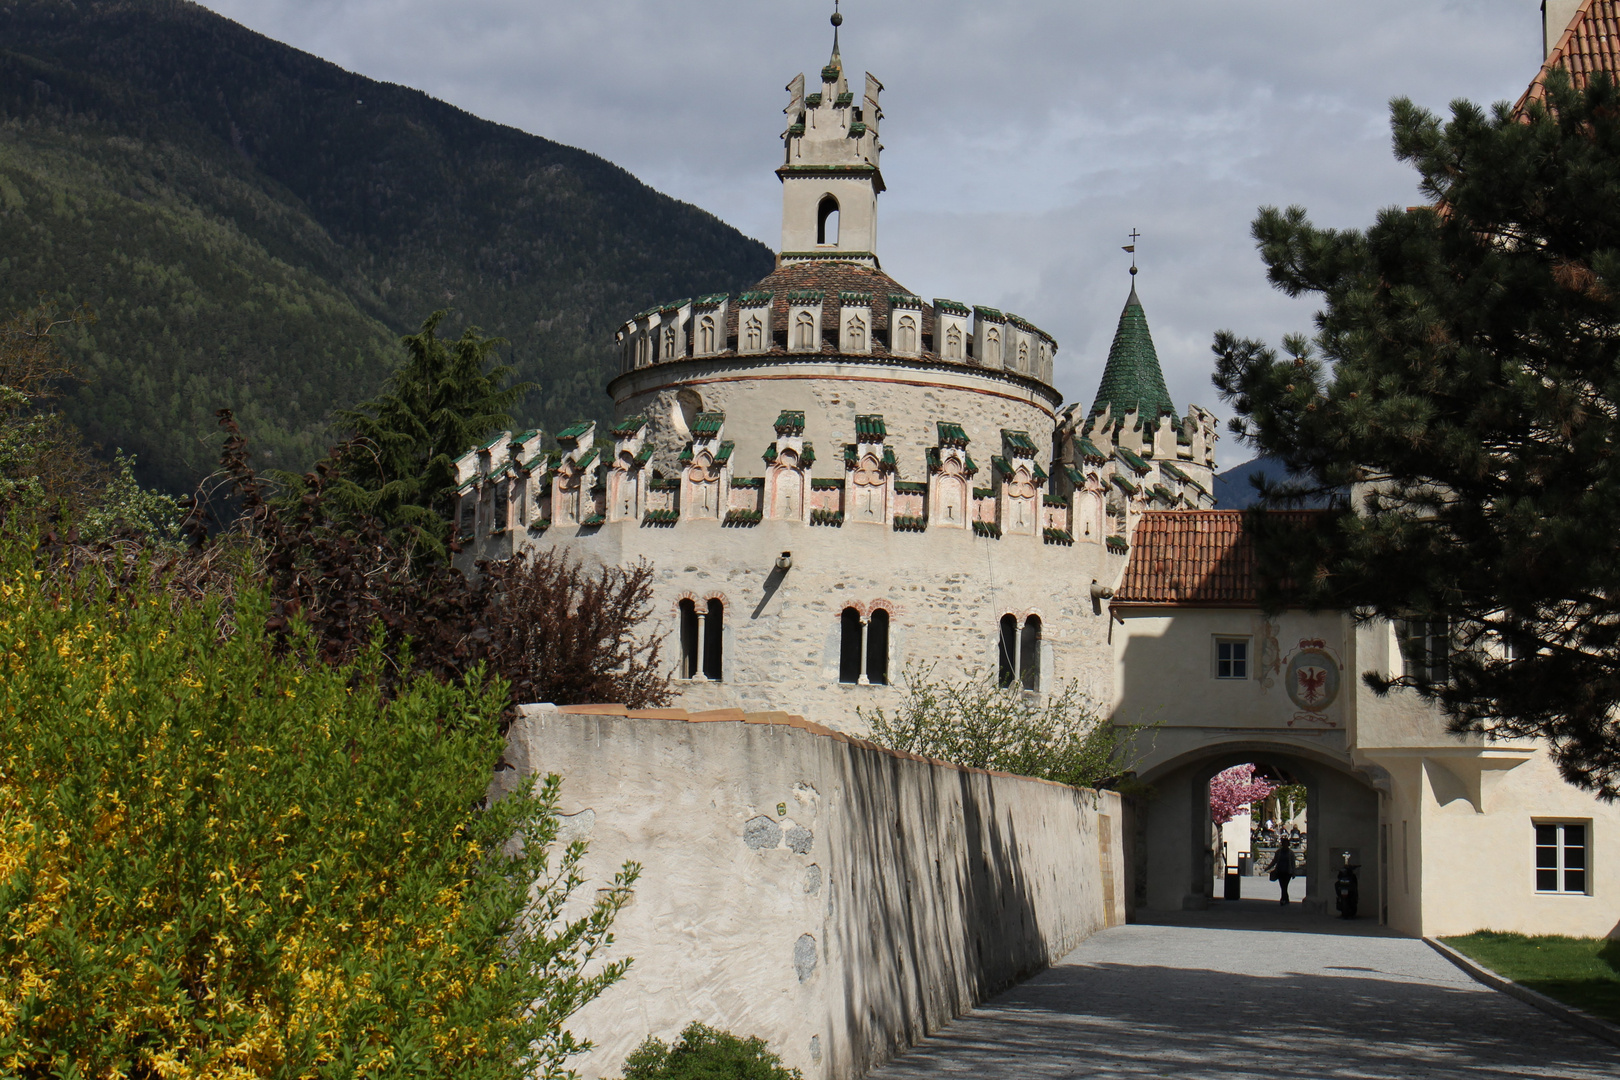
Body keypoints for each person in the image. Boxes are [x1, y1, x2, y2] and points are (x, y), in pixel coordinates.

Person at [1265, 837, 1298, 905]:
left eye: (1286, 844)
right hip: (1280, 871)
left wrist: (1294, 872)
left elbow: (1293, 863)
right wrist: (1268, 868)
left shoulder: (1291, 853)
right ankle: (1285, 899)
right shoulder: (1278, 852)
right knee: (1282, 886)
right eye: (1284, 843)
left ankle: (1283, 899)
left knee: (1285, 886)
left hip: (1288, 872)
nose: (1285, 845)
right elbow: (1274, 861)